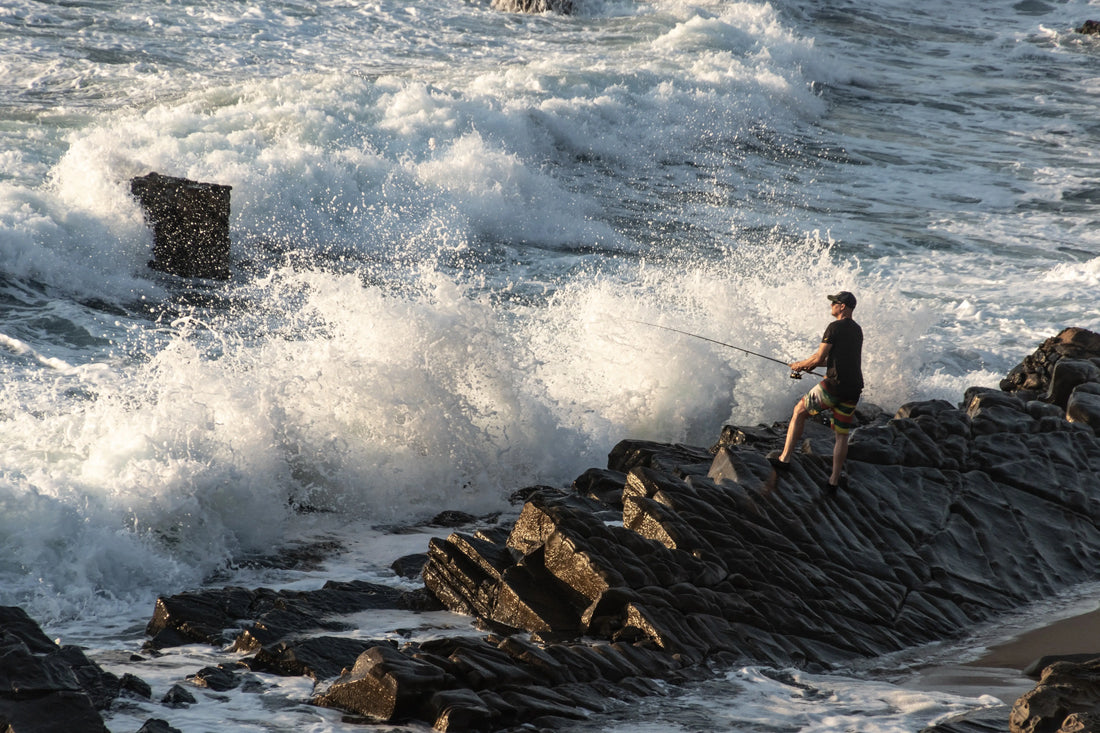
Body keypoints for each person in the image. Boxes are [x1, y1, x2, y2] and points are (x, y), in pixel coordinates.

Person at [769, 291, 864, 492]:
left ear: (843, 307)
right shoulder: (857, 330)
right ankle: (834, 481)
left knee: (799, 411)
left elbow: (820, 357)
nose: (832, 306)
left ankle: (784, 459)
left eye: (834, 303)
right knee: (842, 435)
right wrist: (811, 365)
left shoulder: (834, 327)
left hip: (834, 386)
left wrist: (799, 365)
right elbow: (836, 360)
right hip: (853, 388)